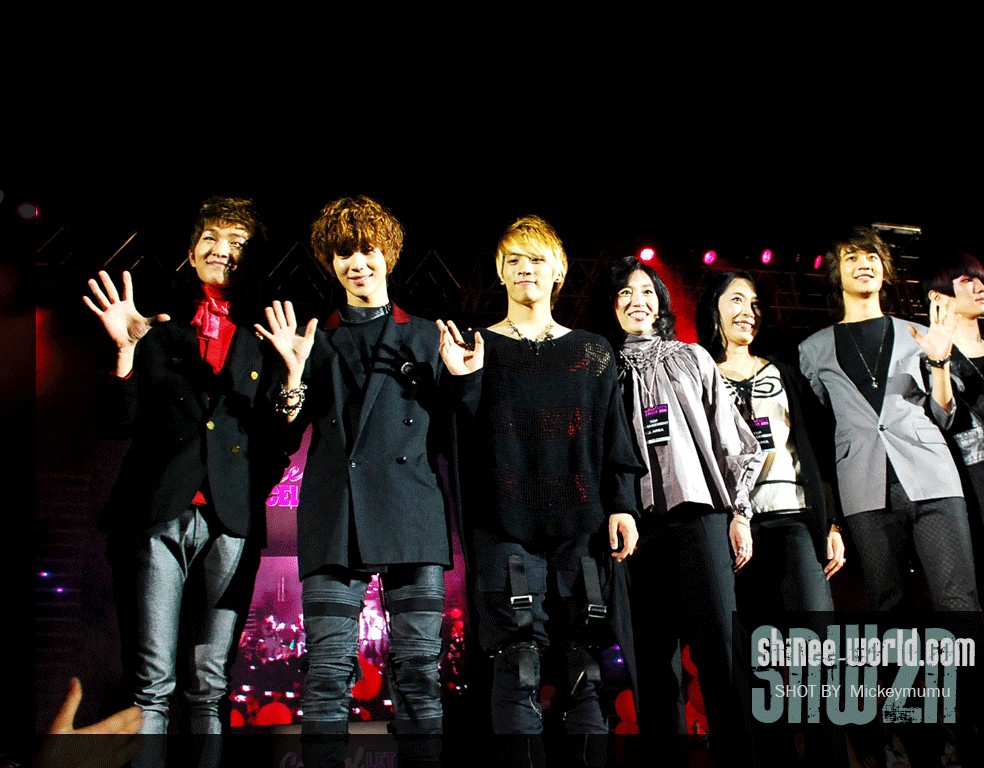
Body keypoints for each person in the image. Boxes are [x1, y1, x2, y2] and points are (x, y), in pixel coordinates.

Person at [83, 197, 287, 768]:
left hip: (231, 519)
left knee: (210, 683)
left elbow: (279, 439)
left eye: (237, 242)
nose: (223, 251)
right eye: (212, 238)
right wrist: (124, 353)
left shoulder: (267, 334)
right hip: (158, 512)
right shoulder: (152, 322)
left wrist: (291, 382)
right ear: (191, 250)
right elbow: (115, 422)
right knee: (153, 683)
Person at [436, 215, 644, 768]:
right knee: (517, 664)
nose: (525, 269)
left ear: (558, 272)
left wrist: (623, 505)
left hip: (580, 524)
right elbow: (458, 441)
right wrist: (463, 381)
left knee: (584, 666)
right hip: (502, 524)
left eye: (536, 259)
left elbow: (613, 436)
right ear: (501, 273)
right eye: (514, 260)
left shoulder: (593, 352)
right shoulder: (477, 346)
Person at [255, 195, 451, 768]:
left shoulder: (427, 336)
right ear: (330, 262)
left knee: (419, 670)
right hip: (334, 515)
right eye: (343, 254)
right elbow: (282, 435)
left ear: (388, 254)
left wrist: (463, 381)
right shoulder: (314, 337)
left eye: (367, 250)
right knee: (327, 670)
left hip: (413, 514)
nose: (356, 263)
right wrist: (293, 376)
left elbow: (454, 429)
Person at [602, 256, 765, 768]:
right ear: (611, 306)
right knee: (653, 669)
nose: (637, 301)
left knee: (721, 657)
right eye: (625, 293)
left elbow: (735, 440)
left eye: (647, 292)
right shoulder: (601, 370)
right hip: (636, 532)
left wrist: (740, 513)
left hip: (701, 518)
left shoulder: (692, 358)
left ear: (661, 304)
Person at [696, 269, 848, 767]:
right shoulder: (698, 376)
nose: (749, 311)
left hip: (792, 521)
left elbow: (815, 451)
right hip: (732, 533)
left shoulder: (783, 374)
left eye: (755, 302)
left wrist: (830, 523)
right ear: (715, 308)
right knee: (759, 669)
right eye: (737, 300)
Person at [797, 225, 980, 613]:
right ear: (836, 273)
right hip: (864, 489)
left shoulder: (921, 334)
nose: (864, 264)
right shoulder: (813, 350)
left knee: (957, 601)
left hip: (933, 480)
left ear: (885, 270)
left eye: (872, 257)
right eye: (852, 257)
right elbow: (821, 430)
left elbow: (945, 417)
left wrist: (939, 361)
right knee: (888, 605)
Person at [923, 251, 984, 749]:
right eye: (967, 280)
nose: (981, 287)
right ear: (939, 297)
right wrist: (940, 360)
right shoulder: (933, 361)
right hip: (979, 499)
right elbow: (942, 417)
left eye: (983, 280)